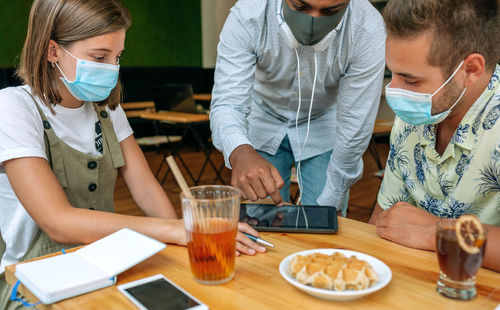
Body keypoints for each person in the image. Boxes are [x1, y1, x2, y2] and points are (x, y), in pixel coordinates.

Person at [0, 1, 263, 308]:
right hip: (33, 281)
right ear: (52, 51)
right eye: (99, 57)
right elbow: (59, 221)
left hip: (103, 265)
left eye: (118, 57)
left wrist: (188, 247)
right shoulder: (13, 107)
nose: (112, 68)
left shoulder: (108, 111)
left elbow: (147, 190)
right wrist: (178, 229)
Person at [209, 0, 386, 215]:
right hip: (262, 118)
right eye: (300, 7)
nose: (313, 21)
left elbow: (355, 122)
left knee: (325, 223)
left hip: (322, 122)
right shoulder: (248, 14)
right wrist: (239, 151)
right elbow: (228, 103)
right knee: (261, 222)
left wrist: (335, 194)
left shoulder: (367, 27)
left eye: (331, 11)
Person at [369, 0, 500, 272]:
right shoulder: (416, 114)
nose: (394, 90)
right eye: (391, 73)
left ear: (470, 70)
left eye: (411, 80)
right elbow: (382, 222)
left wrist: (437, 232)